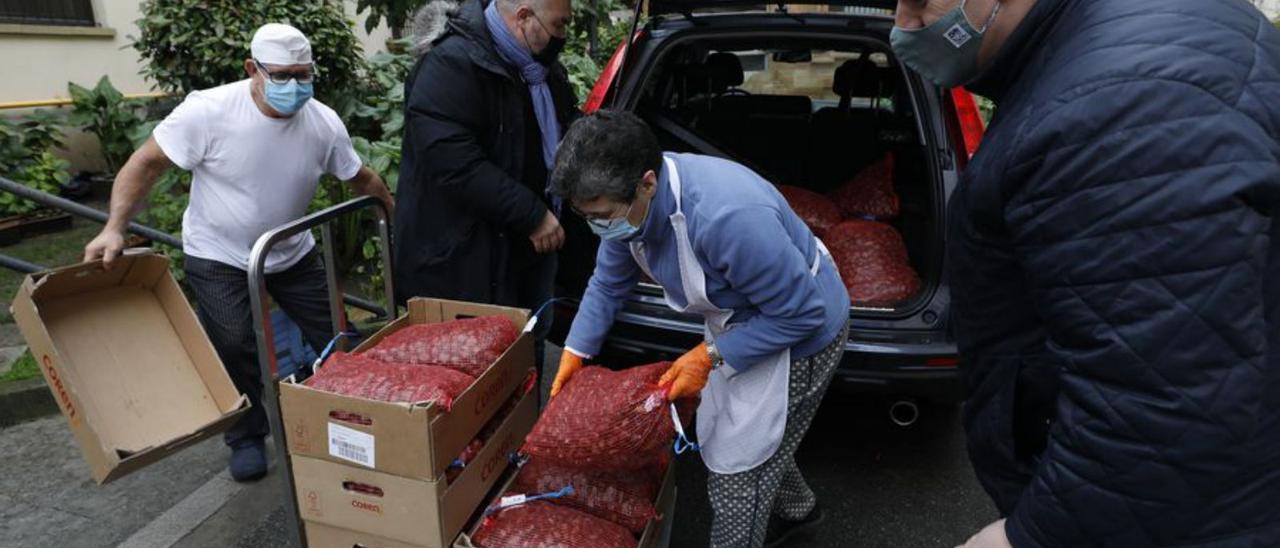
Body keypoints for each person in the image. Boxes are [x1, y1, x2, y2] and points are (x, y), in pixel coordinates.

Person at [890, 0, 1280, 546]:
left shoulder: (1119, 100)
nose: (903, 26)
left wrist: (1036, 535)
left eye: (919, 2)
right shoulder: (1106, 49)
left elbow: (1164, 405)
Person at [83, 23, 393, 483]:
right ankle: (247, 435)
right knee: (233, 342)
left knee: (337, 332)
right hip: (220, 253)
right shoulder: (207, 112)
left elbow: (362, 178)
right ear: (253, 69)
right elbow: (145, 162)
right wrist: (114, 228)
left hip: (291, 250)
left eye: (304, 75)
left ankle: (361, 419)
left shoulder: (322, 122)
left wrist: (393, 217)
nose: (295, 86)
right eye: (283, 75)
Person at [549, 110, 851, 548]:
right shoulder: (628, 212)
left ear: (647, 183)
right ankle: (802, 514)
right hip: (740, 318)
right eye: (586, 216)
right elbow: (609, 282)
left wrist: (708, 356)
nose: (597, 225)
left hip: (802, 331)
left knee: (738, 475)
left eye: (602, 214)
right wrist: (578, 349)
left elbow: (803, 313)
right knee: (759, 438)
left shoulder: (728, 216)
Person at [395, 0, 579, 378]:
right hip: (466, 256)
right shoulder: (452, 65)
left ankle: (521, 427)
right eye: (559, 26)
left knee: (526, 350)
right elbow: (454, 162)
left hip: (526, 247)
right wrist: (531, 214)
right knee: (473, 372)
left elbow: (564, 128)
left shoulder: (539, 69)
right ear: (524, 18)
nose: (563, 37)